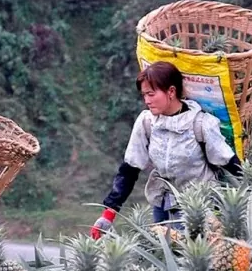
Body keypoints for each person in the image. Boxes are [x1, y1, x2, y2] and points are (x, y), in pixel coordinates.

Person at [92, 61, 242, 239]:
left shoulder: (201, 124)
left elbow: (230, 164)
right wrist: (108, 215)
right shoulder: (147, 122)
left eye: (151, 94)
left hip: (202, 210)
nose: (147, 100)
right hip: (163, 208)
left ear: (171, 91)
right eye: (144, 95)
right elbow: (130, 169)